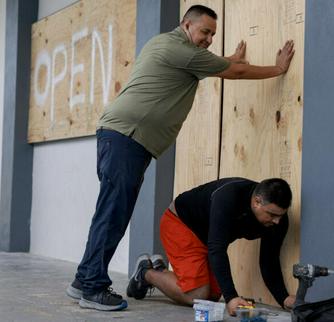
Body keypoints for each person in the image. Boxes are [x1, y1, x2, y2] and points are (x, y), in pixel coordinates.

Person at [65, 4, 295, 311]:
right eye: (205, 31)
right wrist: (277, 69)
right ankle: (93, 287)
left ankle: (84, 278)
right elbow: (234, 72)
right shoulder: (179, 48)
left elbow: (216, 64)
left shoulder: (173, 48)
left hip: (125, 137)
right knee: (113, 214)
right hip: (127, 137)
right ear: (186, 25)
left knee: (111, 211)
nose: (209, 38)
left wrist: (228, 60)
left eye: (213, 34)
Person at [126, 177, 296, 316]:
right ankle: (147, 273)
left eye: (281, 215)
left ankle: (158, 269)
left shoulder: (278, 221)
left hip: (207, 238)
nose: (277, 221)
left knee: (211, 298)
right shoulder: (229, 197)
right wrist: (231, 298)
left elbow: (269, 260)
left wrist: (284, 298)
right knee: (197, 295)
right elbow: (217, 248)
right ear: (257, 202)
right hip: (181, 224)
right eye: (272, 214)